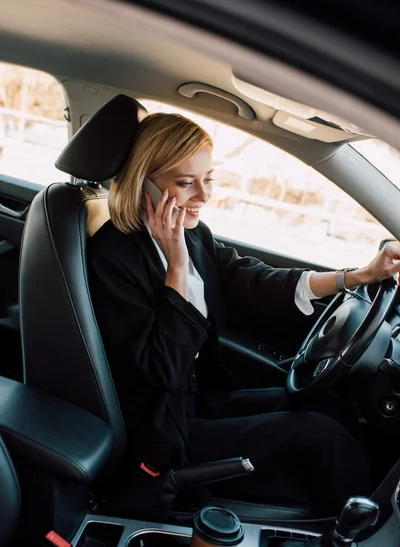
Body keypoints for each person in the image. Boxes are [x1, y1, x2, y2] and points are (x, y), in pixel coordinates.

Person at [87, 112, 400, 517]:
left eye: (209, 179)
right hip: (164, 430)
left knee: (331, 405)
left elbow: (252, 279)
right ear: (145, 184)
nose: (204, 195)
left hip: (201, 400)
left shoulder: (193, 233)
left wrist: (358, 276)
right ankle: (363, 530)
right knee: (319, 435)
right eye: (186, 183)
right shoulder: (113, 259)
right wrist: (176, 268)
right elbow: (160, 369)